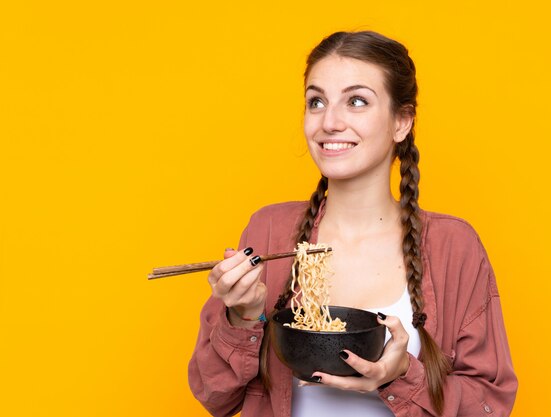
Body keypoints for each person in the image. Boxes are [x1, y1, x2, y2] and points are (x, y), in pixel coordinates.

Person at [188, 31, 517, 417]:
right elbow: (214, 396)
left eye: (356, 101)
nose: (329, 122)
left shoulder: (453, 246)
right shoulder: (269, 230)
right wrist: (241, 317)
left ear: (402, 122)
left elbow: (490, 404)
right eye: (317, 101)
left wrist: (401, 376)